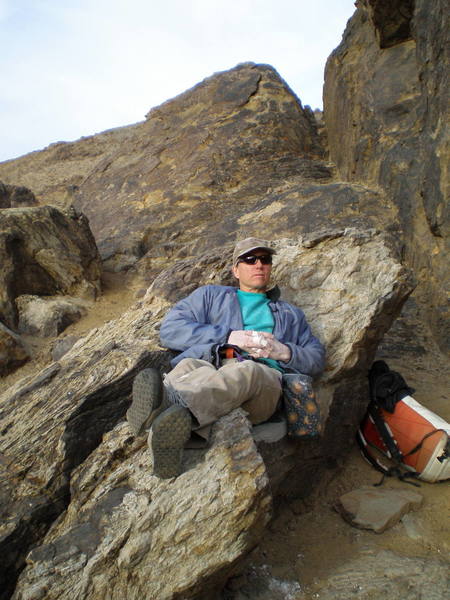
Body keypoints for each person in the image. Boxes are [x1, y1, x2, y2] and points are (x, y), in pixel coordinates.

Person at [127, 237, 325, 478]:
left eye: (265, 259)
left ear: (271, 266)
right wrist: (229, 335)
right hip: (213, 363)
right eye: (250, 259)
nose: (259, 265)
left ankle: (167, 405)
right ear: (235, 270)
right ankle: (167, 439)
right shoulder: (211, 296)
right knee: (188, 366)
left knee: (246, 371)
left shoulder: (290, 314)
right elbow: (171, 329)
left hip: (263, 385)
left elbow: (316, 358)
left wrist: (283, 351)